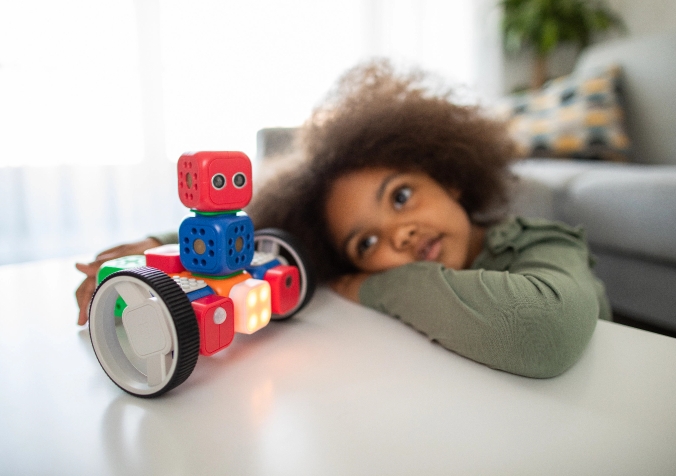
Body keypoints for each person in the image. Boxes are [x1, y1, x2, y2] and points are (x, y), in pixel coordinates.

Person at [76, 60, 611, 378]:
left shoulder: (540, 242)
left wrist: (376, 287)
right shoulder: (322, 256)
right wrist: (156, 248)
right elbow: (250, 239)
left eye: (401, 196)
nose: (398, 234)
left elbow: (545, 332)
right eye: (365, 243)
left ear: (448, 175)